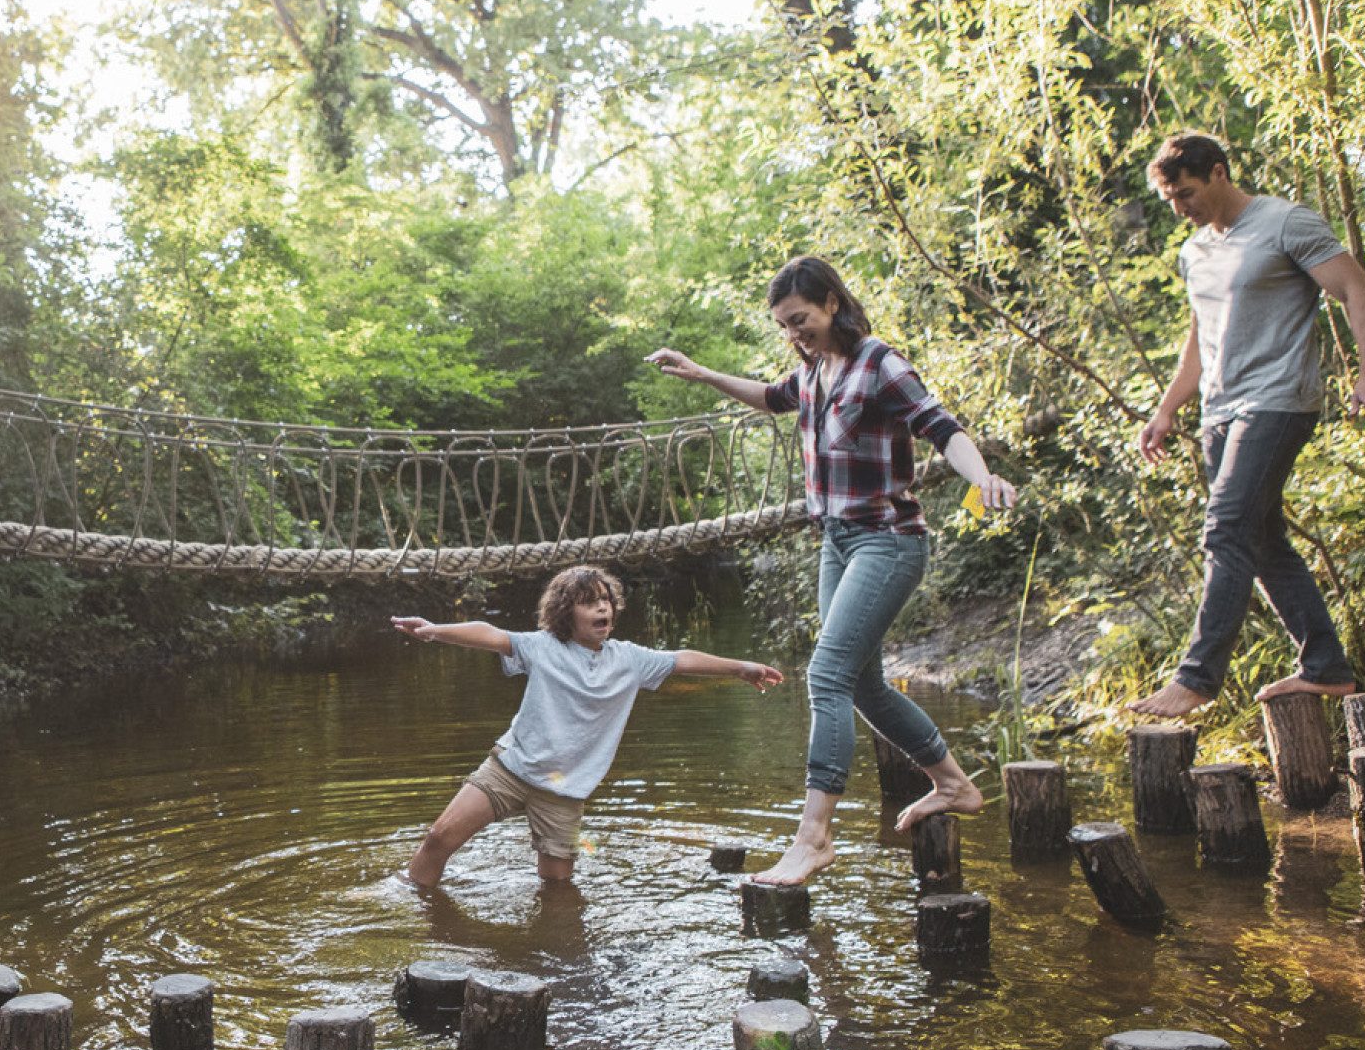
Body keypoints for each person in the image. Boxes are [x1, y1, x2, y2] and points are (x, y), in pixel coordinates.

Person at [646, 256, 1017, 886]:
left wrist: (982, 476)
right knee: (864, 686)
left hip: (888, 542)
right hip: (837, 543)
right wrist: (701, 373)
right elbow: (769, 398)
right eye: (785, 327)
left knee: (826, 674)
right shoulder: (814, 372)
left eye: (801, 320)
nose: (795, 334)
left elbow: (940, 427)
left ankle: (814, 838)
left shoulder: (879, 363)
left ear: (832, 305)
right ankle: (953, 784)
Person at [1125, 132, 1365, 717]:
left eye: (1187, 193)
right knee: (1265, 543)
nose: (1181, 208)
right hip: (1220, 410)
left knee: (1225, 530)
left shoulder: (1284, 223)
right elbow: (1201, 337)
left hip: (1278, 401)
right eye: (1171, 200)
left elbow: (1358, 292)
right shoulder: (1194, 251)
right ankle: (1326, 668)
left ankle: (1196, 678)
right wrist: (1168, 409)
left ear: (1219, 173)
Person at [392, 564, 784, 888]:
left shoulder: (629, 660)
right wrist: (434, 630)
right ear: (566, 612)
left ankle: (555, 954)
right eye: (589, 602)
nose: (602, 609)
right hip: (511, 770)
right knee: (438, 839)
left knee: (557, 887)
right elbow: (492, 635)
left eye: (605, 600)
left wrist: (741, 668)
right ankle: (419, 913)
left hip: (564, 792)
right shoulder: (543, 646)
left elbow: (681, 659)